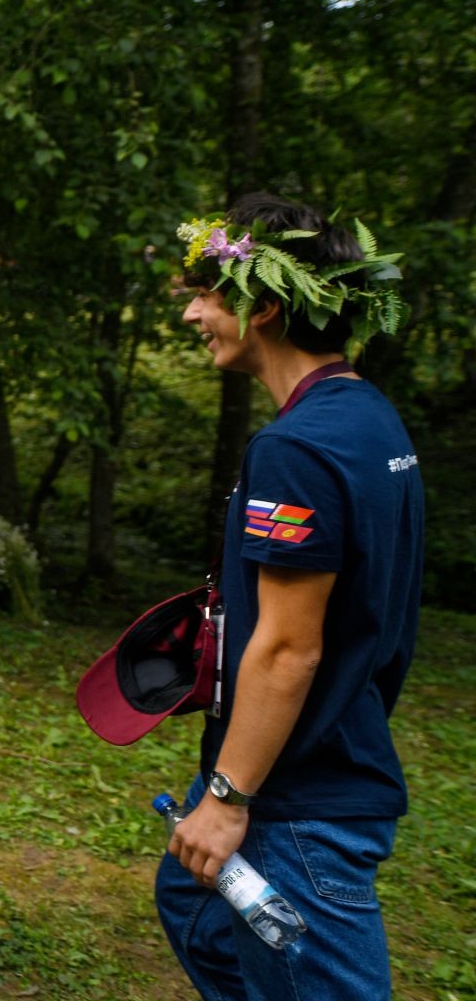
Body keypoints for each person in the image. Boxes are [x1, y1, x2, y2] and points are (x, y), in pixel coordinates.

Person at [157, 197, 421, 1000]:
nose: (196, 314)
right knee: (190, 900)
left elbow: (289, 645)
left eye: (206, 294)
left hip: (297, 801)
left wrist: (232, 798)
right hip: (320, 759)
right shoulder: (368, 418)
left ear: (263, 307)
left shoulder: (297, 449)